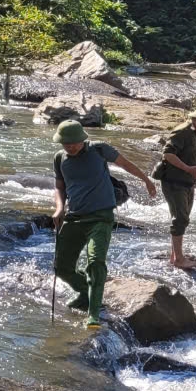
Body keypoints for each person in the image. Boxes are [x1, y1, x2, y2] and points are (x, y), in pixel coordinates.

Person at [51, 120, 156, 329]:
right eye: (66, 143)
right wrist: (59, 208)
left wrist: (146, 180)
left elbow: (125, 164)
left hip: (101, 216)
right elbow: (59, 187)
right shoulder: (59, 158)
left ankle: (93, 314)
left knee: (95, 262)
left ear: (83, 139)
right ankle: (85, 292)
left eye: (74, 143)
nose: (70, 146)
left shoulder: (100, 150)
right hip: (74, 217)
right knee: (61, 268)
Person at [153, 106, 196, 270]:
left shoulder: (194, 133)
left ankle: (175, 256)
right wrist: (189, 169)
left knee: (182, 218)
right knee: (180, 219)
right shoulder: (183, 132)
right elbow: (167, 154)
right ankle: (179, 259)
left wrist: (193, 174)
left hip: (186, 183)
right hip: (174, 182)